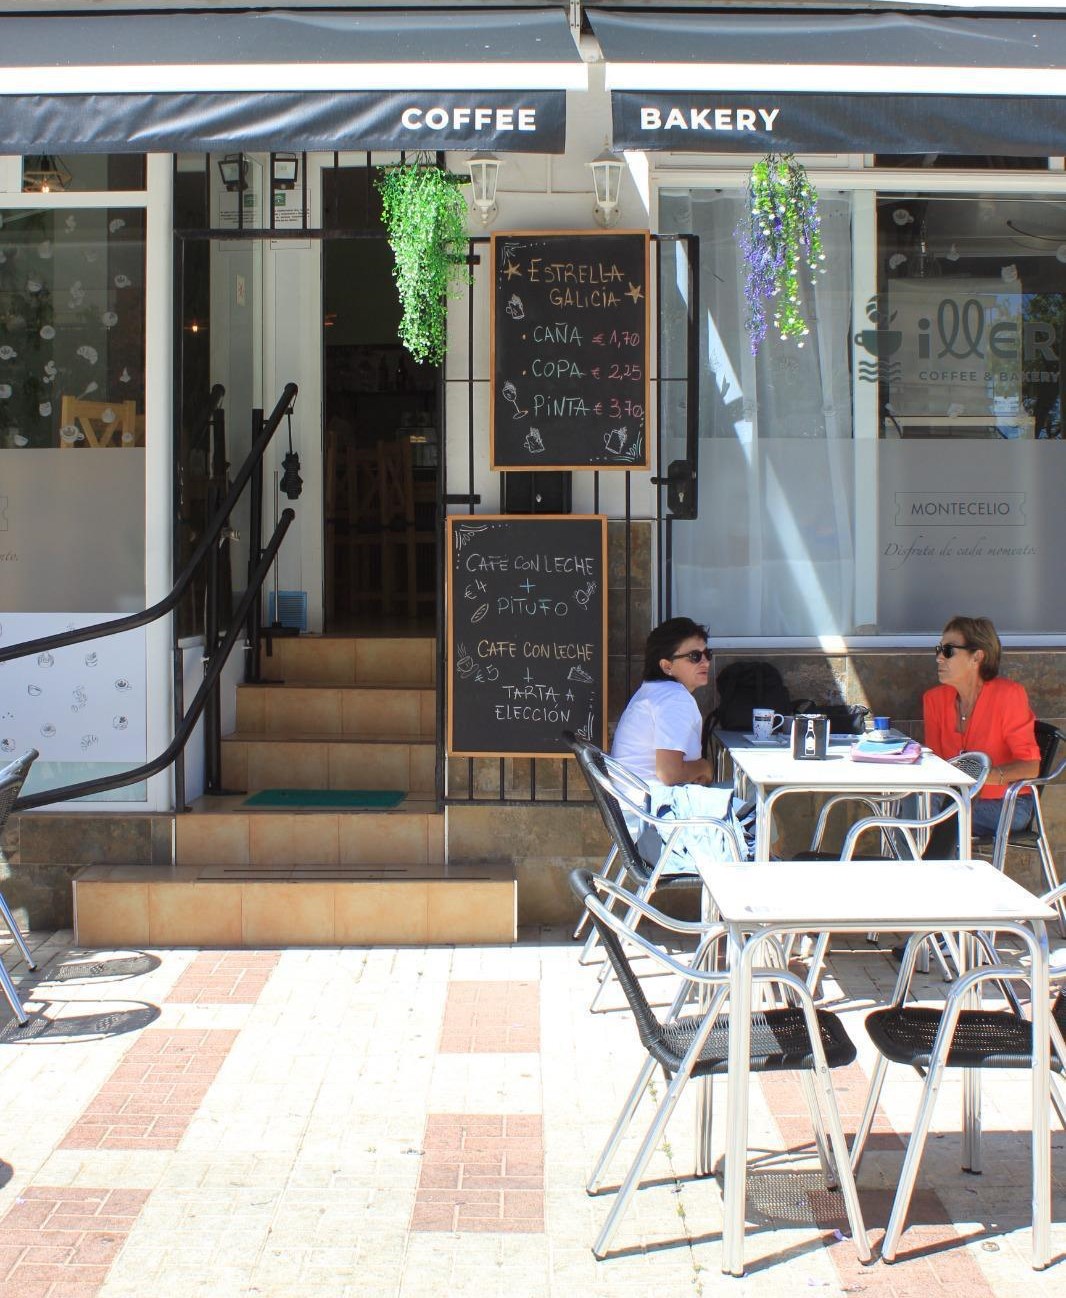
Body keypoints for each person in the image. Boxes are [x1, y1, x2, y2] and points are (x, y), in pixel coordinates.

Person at [922, 615, 1039, 858]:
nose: (939, 657)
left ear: (977, 656)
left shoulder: (1008, 696)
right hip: (954, 798)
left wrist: (983, 779)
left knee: (932, 812)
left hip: (1007, 804)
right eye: (938, 649)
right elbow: (935, 764)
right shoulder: (934, 700)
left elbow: (1031, 766)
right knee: (911, 805)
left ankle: (939, 887)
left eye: (948, 650)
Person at [611, 616, 716, 787]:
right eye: (695, 656)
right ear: (667, 666)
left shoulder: (653, 691)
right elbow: (669, 773)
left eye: (707, 654)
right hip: (654, 808)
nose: (705, 662)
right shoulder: (674, 698)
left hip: (635, 803)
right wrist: (705, 767)